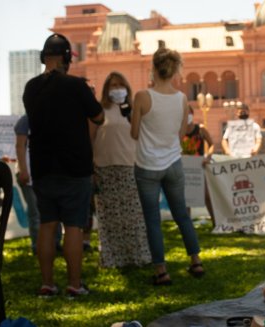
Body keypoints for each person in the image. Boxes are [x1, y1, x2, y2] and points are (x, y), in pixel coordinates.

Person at [23, 33, 104, 297]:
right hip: (74, 167)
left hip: (42, 167)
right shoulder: (76, 86)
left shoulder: (30, 88)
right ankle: (74, 284)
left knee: (47, 224)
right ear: (67, 58)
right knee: (73, 226)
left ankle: (47, 283)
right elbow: (99, 116)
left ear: (43, 57)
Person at [131, 47, 204, 286]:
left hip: (147, 165)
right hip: (173, 162)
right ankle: (196, 261)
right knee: (181, 214)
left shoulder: (142, 96)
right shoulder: (182, 98)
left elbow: (134, 133)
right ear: (174, 70)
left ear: (153, 68)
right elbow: (182, 132)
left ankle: (161, 270)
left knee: (152, 219)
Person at [92, 71, 152, 268]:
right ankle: (112, 258)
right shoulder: (99, 111)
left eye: (120, 85)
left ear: (127, 87)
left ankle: (137, 256)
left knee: (133, 216)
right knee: (110, 217)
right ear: (106, 90)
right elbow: (90, 138)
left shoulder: (134, 110)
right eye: (113, 85)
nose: (117, 89)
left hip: (130, 166)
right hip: (104, 168)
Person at [14, 115, 62, 255]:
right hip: (29, 174)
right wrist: (23, 170)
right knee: (35, 212)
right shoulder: (25, 120)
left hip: (50, 174)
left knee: (55, 211)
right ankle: (37, 245)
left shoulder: (54, 119)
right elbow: (20, 146)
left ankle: (56, 243)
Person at [181, 105, 216, 225]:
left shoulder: (200, 129)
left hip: (199, 166)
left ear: (192, 114)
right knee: (186, 197)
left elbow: (211, 144)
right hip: (184, 167)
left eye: (188, 112)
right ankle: (187, 224)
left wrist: (208, 156)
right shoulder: (178, 131)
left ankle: (215, 222)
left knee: (207, 195)